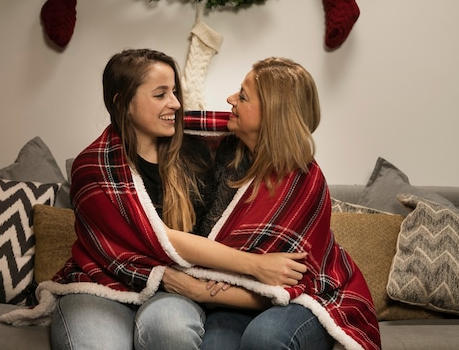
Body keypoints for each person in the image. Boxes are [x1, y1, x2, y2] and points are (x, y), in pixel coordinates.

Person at [43, 49, 307, 350]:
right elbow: (157, 237)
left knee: (171, 330)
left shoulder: (195, 153)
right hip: (101, 284)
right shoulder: (94, 167)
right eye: (160, 94)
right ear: (122, 103)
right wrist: (254, 265)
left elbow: (267, 149)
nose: (176, 104)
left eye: (175, 91)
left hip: (176, 289)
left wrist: (224, 275)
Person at [162, 57, 381, 350]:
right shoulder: (229, 154)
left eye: (242, 96)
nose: (230, 100)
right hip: (234, 292)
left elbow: (289, 284)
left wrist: (200, 291)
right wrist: (243, 270)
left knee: (265, 338)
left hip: (310, 296)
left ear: (272, 114)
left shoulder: (304, 183)